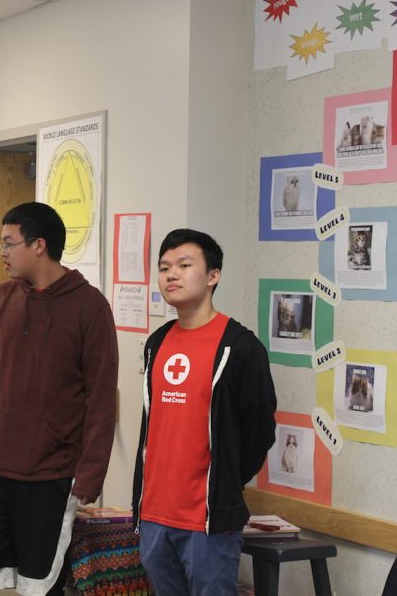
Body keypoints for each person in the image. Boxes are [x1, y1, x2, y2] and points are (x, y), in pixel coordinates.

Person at [0, 202, 118, 596]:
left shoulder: (89, 307)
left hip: (52, 473)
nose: (3, 253)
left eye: (9, 243)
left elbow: (100, 401)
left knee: (41, 586)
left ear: (39, 245)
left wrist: (90, 475)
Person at [131, 229, 277, 596]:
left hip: (207, 519)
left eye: (183, 265)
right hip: (154, 514)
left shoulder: (241, 348)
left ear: (213, 275)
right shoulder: (157, 342)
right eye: (164, 268)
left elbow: (259, 431)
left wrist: (226, 482)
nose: (171, 275)